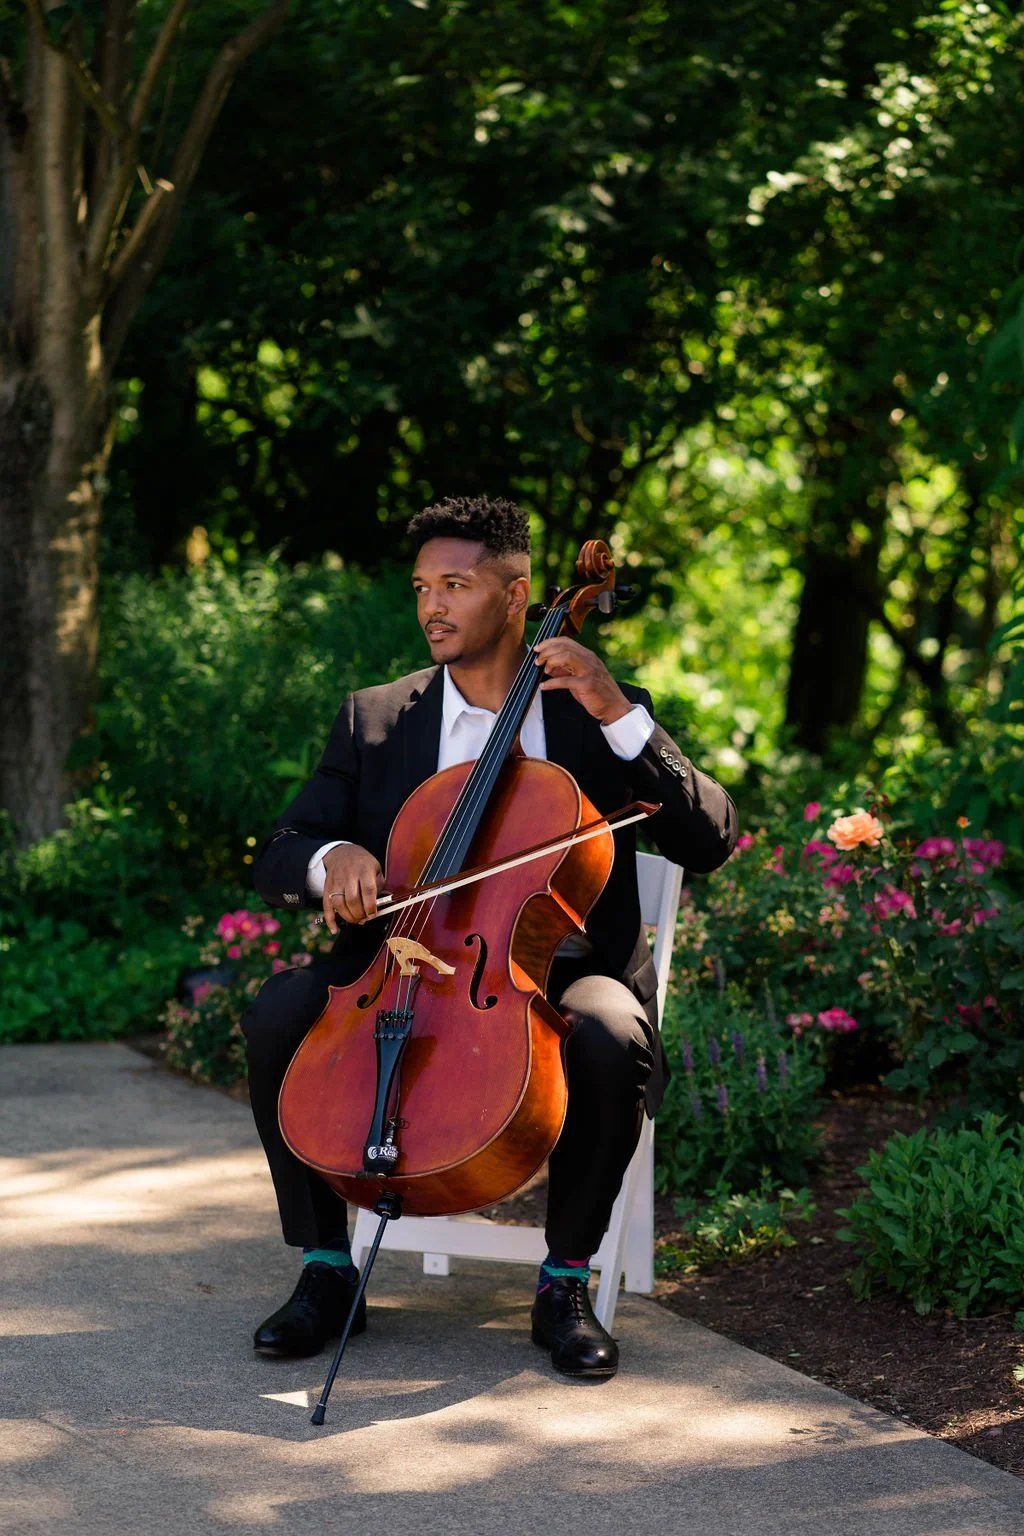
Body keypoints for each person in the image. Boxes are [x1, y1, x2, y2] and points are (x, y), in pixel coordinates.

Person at [243, 495, 737, 1379]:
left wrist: (618, 707)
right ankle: (324, 1266)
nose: (432, 604)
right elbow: (280, 849)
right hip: (399, 970)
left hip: (558, 968)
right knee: (278, 1012)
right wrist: (335, 857)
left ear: (516, 598)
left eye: (456, 585)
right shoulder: (378, 718)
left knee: (610, 1033)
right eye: (422, 586)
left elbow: (711, 838)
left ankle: (564, 1281)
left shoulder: (596, 710)